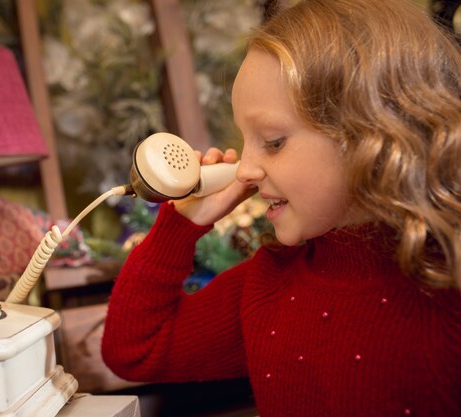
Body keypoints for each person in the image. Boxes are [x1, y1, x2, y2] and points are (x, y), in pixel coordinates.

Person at [101, 0, 461, 415]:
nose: (246, 169)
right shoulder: (270, 283)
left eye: (272, 142)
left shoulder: (445, 291)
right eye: (244, 139)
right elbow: (133, 350)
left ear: (372, 135)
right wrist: (181, 224)